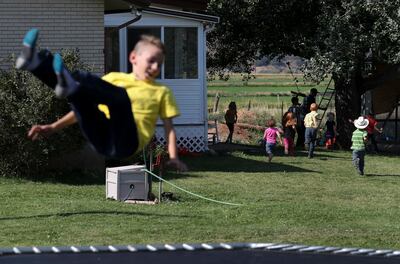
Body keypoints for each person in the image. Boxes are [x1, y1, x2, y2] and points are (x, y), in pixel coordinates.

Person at [17, 28, 187, 171]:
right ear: (133, 57)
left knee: (119, 97)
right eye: (151, 61)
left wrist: (173, 157)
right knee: (81, 95)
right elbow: (79, 113)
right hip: (101, 140)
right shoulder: (114, 78)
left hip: (127, 142)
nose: (156, 67)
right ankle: (35, 64)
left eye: (160, 64)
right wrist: (53, 127)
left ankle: (68, 79)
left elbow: (169, 128)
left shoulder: (161, 91)